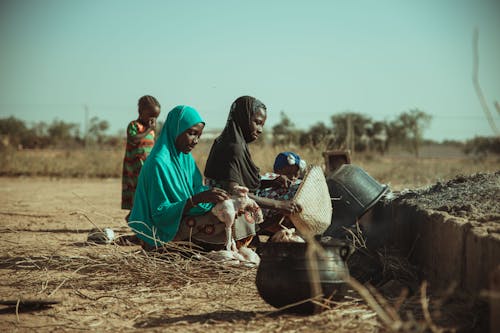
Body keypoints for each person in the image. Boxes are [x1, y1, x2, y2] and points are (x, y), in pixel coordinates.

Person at [128, 105, 259, 250]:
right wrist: (197, 199)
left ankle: (209, 247)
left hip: (183, 216)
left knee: (238, 214)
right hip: (160, 230)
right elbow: (160, 214)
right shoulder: (158, 163)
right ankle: (175, 248)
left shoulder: (185, 158)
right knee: (222, 221)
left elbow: (196, 188)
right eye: (191, 133)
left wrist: (217, 195)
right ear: (175, 129)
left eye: (199, 135)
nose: (195, 140)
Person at [204, 96, 302, 230]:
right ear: (243, 118)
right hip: (224, 212)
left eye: (262, 124)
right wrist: (279, 205)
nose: (260, 129)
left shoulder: (235, 142)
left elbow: (242, 184)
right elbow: (235, 194)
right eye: (257, 122)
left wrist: (272, 182)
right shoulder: (233, 147)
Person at [121, 95, 161, 219]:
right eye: (150, 115)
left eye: (155, 117)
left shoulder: (152, 131)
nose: (152, 119)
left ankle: (136, 216)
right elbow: (133, 139)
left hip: (147, 166)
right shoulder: (134, 125)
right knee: (137, 191)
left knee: (147, 192)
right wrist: (148, 130)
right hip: (134, 168)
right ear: (140, 112)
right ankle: (133, 216)